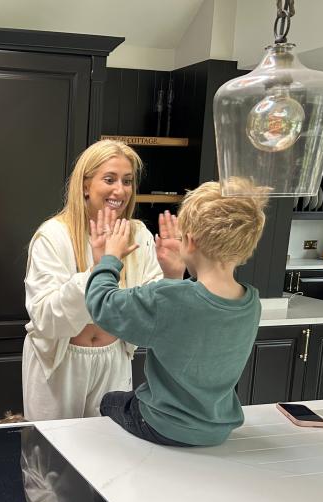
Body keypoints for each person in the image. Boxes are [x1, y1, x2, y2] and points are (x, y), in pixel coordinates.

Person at [86, 178, 265, 446]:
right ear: (244, 249)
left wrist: (108, 258)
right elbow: (186, 323)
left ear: (190, 242)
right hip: (216, 429)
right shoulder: (251, 303)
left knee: (110, 401)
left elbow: (101, 304)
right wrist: (173, 275)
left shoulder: (169, 298)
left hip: (162, 425)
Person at [22, 139, 181, 421]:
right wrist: (100, 269)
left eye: (128, 181)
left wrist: (173, 275)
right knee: (51, 457)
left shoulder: (138, 235)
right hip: (60, 364)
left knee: (111, 454)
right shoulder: (53, 236)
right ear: (85, 185)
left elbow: (154, 314)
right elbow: (46, 318)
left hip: (114, 361)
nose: (120, 190)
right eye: (110, 179)